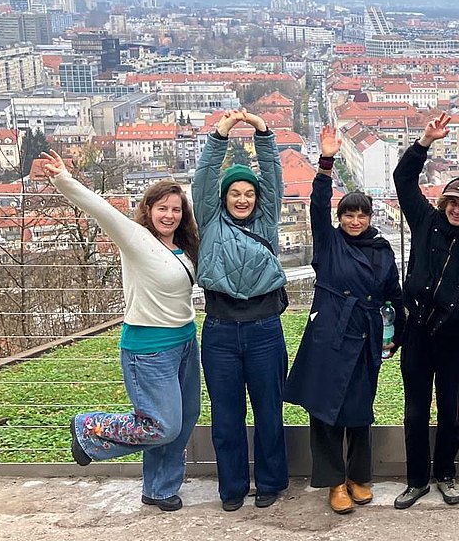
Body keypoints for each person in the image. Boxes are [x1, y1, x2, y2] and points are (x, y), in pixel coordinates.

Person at [46, 151, 201, 512]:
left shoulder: (183, 247)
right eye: (162, 208)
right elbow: (100, 209)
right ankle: (89, 429)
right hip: (149, 348)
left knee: (183, 420)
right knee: (161, 425)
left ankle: (160, 488)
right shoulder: (135, 238)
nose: (169, 215)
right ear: (148, 209)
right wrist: (63, 179)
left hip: (184, 341)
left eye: (176, 209)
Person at [284, 127, 404, 514]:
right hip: (329, 334)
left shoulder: (381, 249)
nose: (355, 220)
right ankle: (334, 481)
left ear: (369, 217)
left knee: (359, 410)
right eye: (348, 214)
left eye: (361, 214)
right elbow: (317, 206)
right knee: (325, 411)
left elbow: (393, 295)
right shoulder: (329, 241)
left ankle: (358, 476)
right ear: (340, 218)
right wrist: (326, 162)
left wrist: (395, 334)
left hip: (366, 336)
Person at [391, 112, 459, 509]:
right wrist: (424, 143)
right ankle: (416, 480)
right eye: (453, 202)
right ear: (444, 202)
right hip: (418, 331)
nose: (457, 210)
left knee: (449, 411)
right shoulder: (424, 221)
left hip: (456, 339)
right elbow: (403, 179)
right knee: (415, 412)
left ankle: (446, 474)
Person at [193, 107, 290, 512]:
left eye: (249, 193)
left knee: (269, 413)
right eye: (235, 192)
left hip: (264, 328)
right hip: (220, 330)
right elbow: (202, 179)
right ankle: (232, 487)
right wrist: (220, 135)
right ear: (223, 197)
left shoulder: (266, 222)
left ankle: (270, 482)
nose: (243, 198)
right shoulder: (210, 220)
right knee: (226, 416)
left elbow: (274, 176)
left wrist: (263, 133)